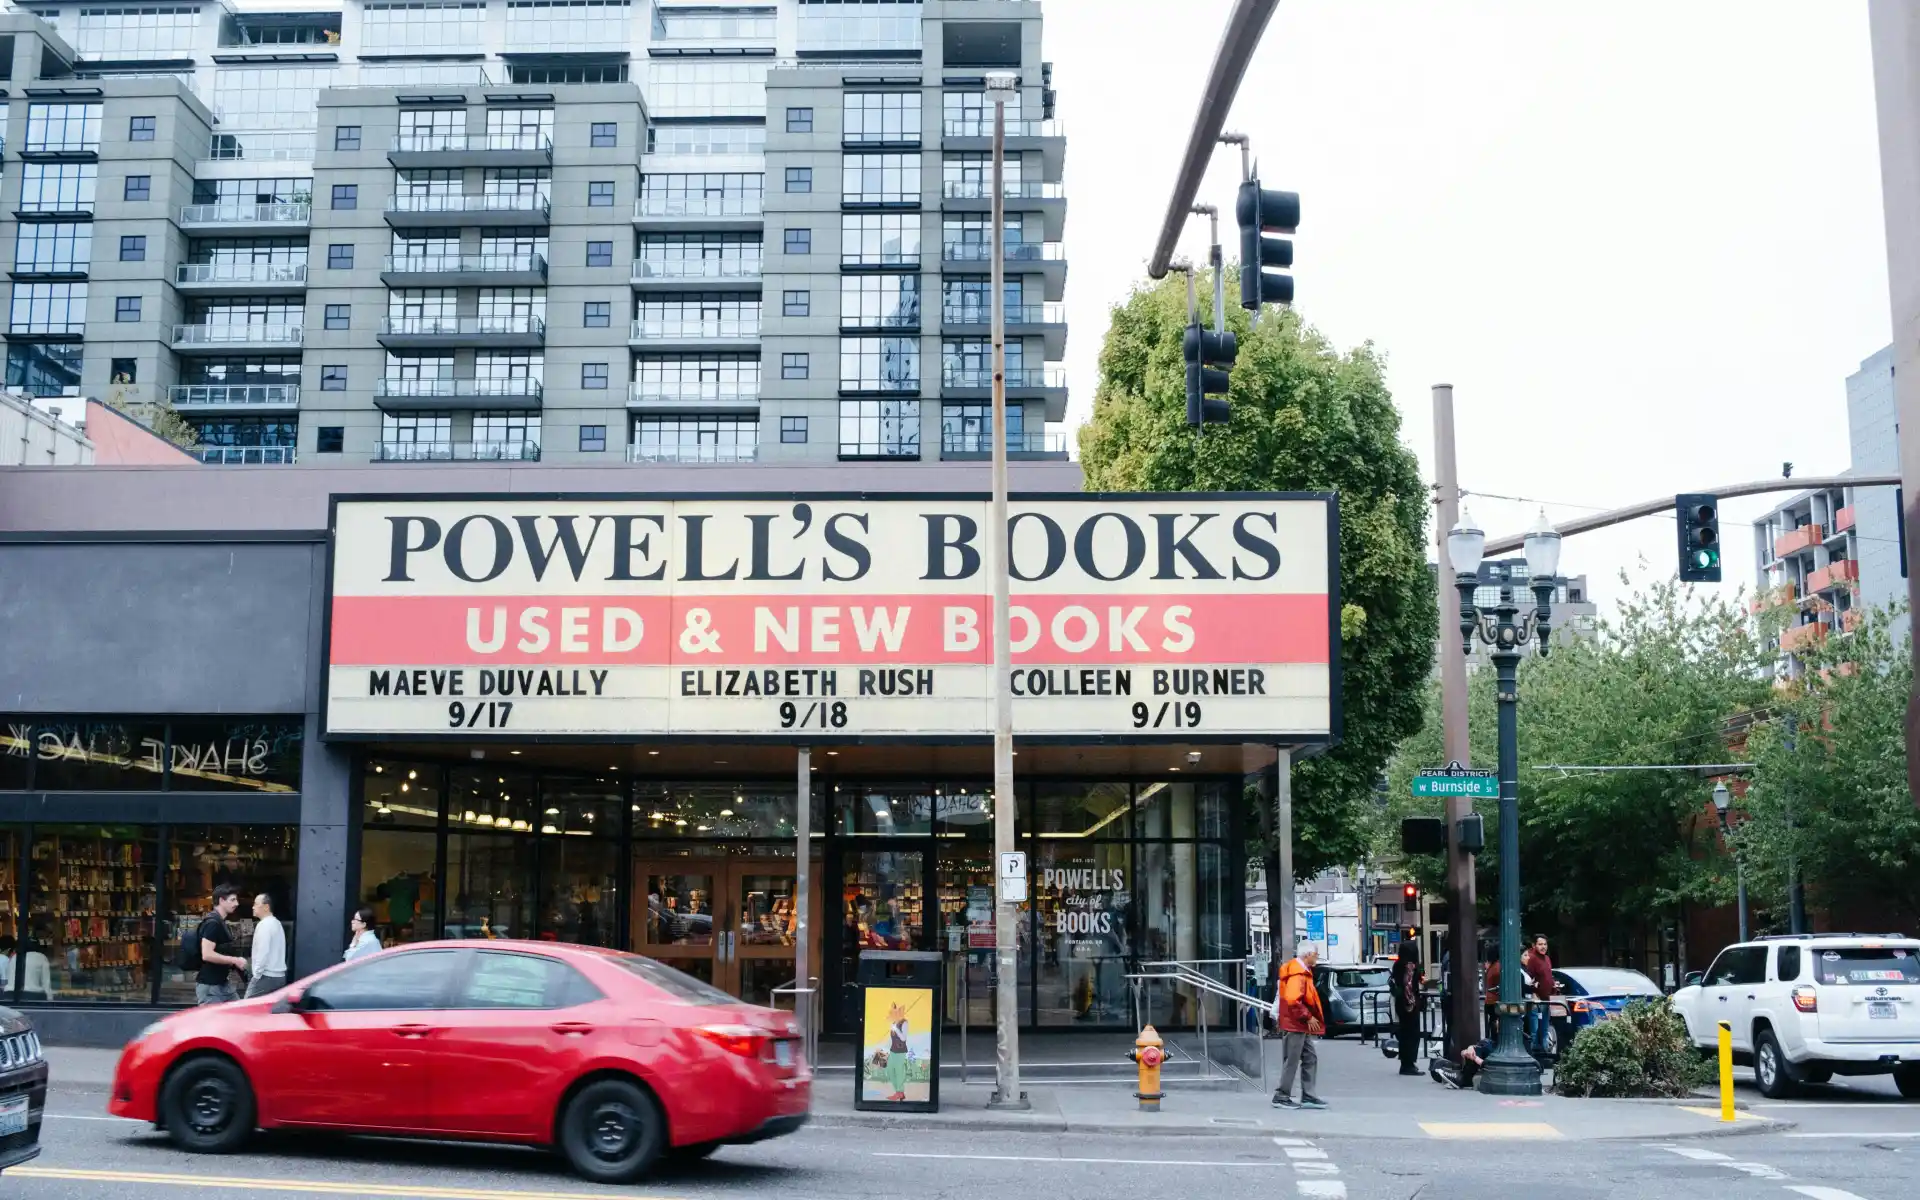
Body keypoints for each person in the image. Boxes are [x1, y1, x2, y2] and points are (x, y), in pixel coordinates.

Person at [1270, 946, 1328, 1110]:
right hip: (1296, 1024)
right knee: (1293, 1060)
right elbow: (1293, 1000)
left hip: (1298, 1023)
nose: (1317, 957)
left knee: (1309, 1058)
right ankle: (1282, 1096)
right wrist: (1308, 1016)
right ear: (1307, 954)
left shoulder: (1299, 972)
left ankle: (1307, 1095)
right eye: (1316, 954)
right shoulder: (1298, 974)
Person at [195, 884, 249, 1005]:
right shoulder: (213, 923)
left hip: (222, 984)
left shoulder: (220, 922)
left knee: (240, 1013)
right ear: (221, 900)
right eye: (232, 900)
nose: (236, 903)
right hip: (210, 987)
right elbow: (207, 954)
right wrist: (234, 960)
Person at [1390, 937, 1424, 1077]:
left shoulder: (1397, 965)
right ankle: (1409, 1063)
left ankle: (1405, 1062)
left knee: (1404, 1034)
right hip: (1409, 1005)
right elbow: (1410, 986)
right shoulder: (1410, 966)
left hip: (1400, 1003)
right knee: (1412, 1034)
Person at [243, 893, 287, 999]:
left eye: (256, 904)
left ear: (266, 907)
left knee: (246, 1006)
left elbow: (262, 951)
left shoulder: (264, 925)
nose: (253, 907)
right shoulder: (277, 923)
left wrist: (256, 975)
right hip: (279, 977)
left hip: (265, 976)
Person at [1523, 934, 1557, 1058]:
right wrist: (1533, 992)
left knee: (1544, 1029)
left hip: (1547, 999)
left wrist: (1554, 984)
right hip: (1536, 1001)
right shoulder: (1531, 958)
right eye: (1540, 944)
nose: (1543, 947)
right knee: (1535, 1031)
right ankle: (1533, 1057)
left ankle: (1544, 1056)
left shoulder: (1547, 958)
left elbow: (1547, 976)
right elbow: (1527, 979)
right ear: (1534, 945)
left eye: (1545, 944)